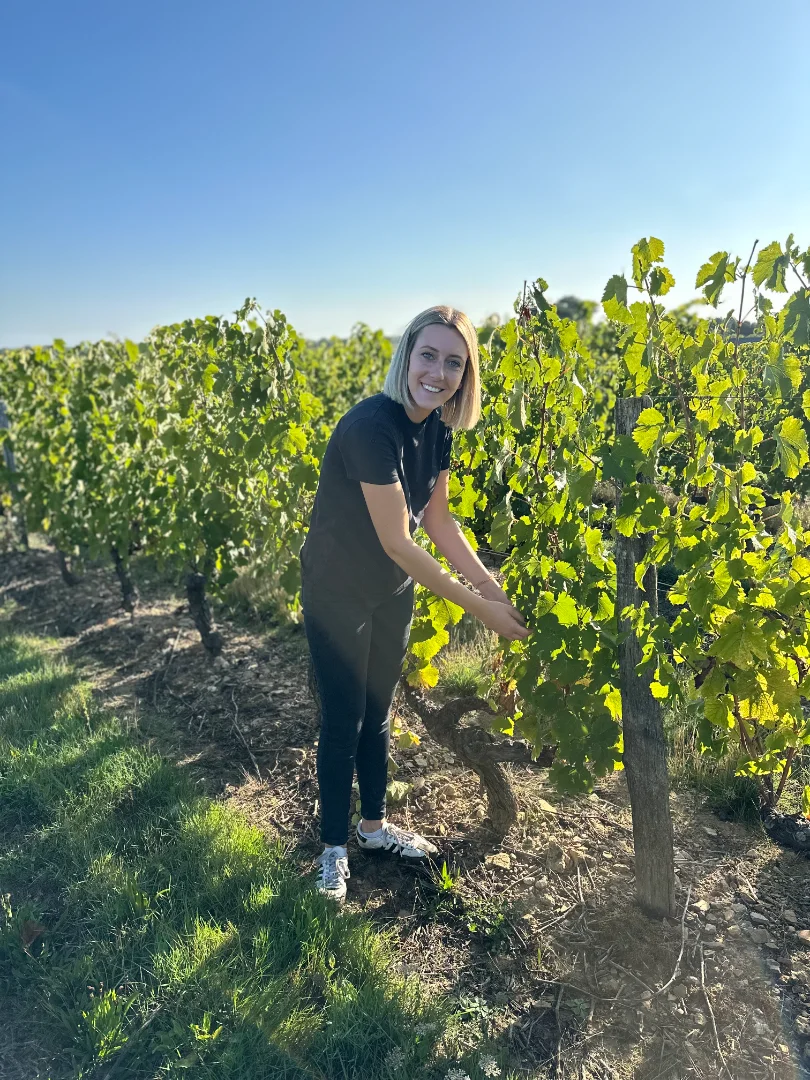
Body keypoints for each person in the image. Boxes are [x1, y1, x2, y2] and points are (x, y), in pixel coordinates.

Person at [299, 305, 530, 901]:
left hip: (390, 590)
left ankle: (373, 830)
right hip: (336, 591)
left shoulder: (437, 428)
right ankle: (333, 849)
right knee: (344, 719)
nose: (438, 372)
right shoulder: (370, 428)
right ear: (407, 355)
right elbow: (400, 541)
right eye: (428, 355)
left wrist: (490, 587)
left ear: (465, 376)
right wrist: (479, 610)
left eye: (454, 363)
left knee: (378, 711)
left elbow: (439, 520)